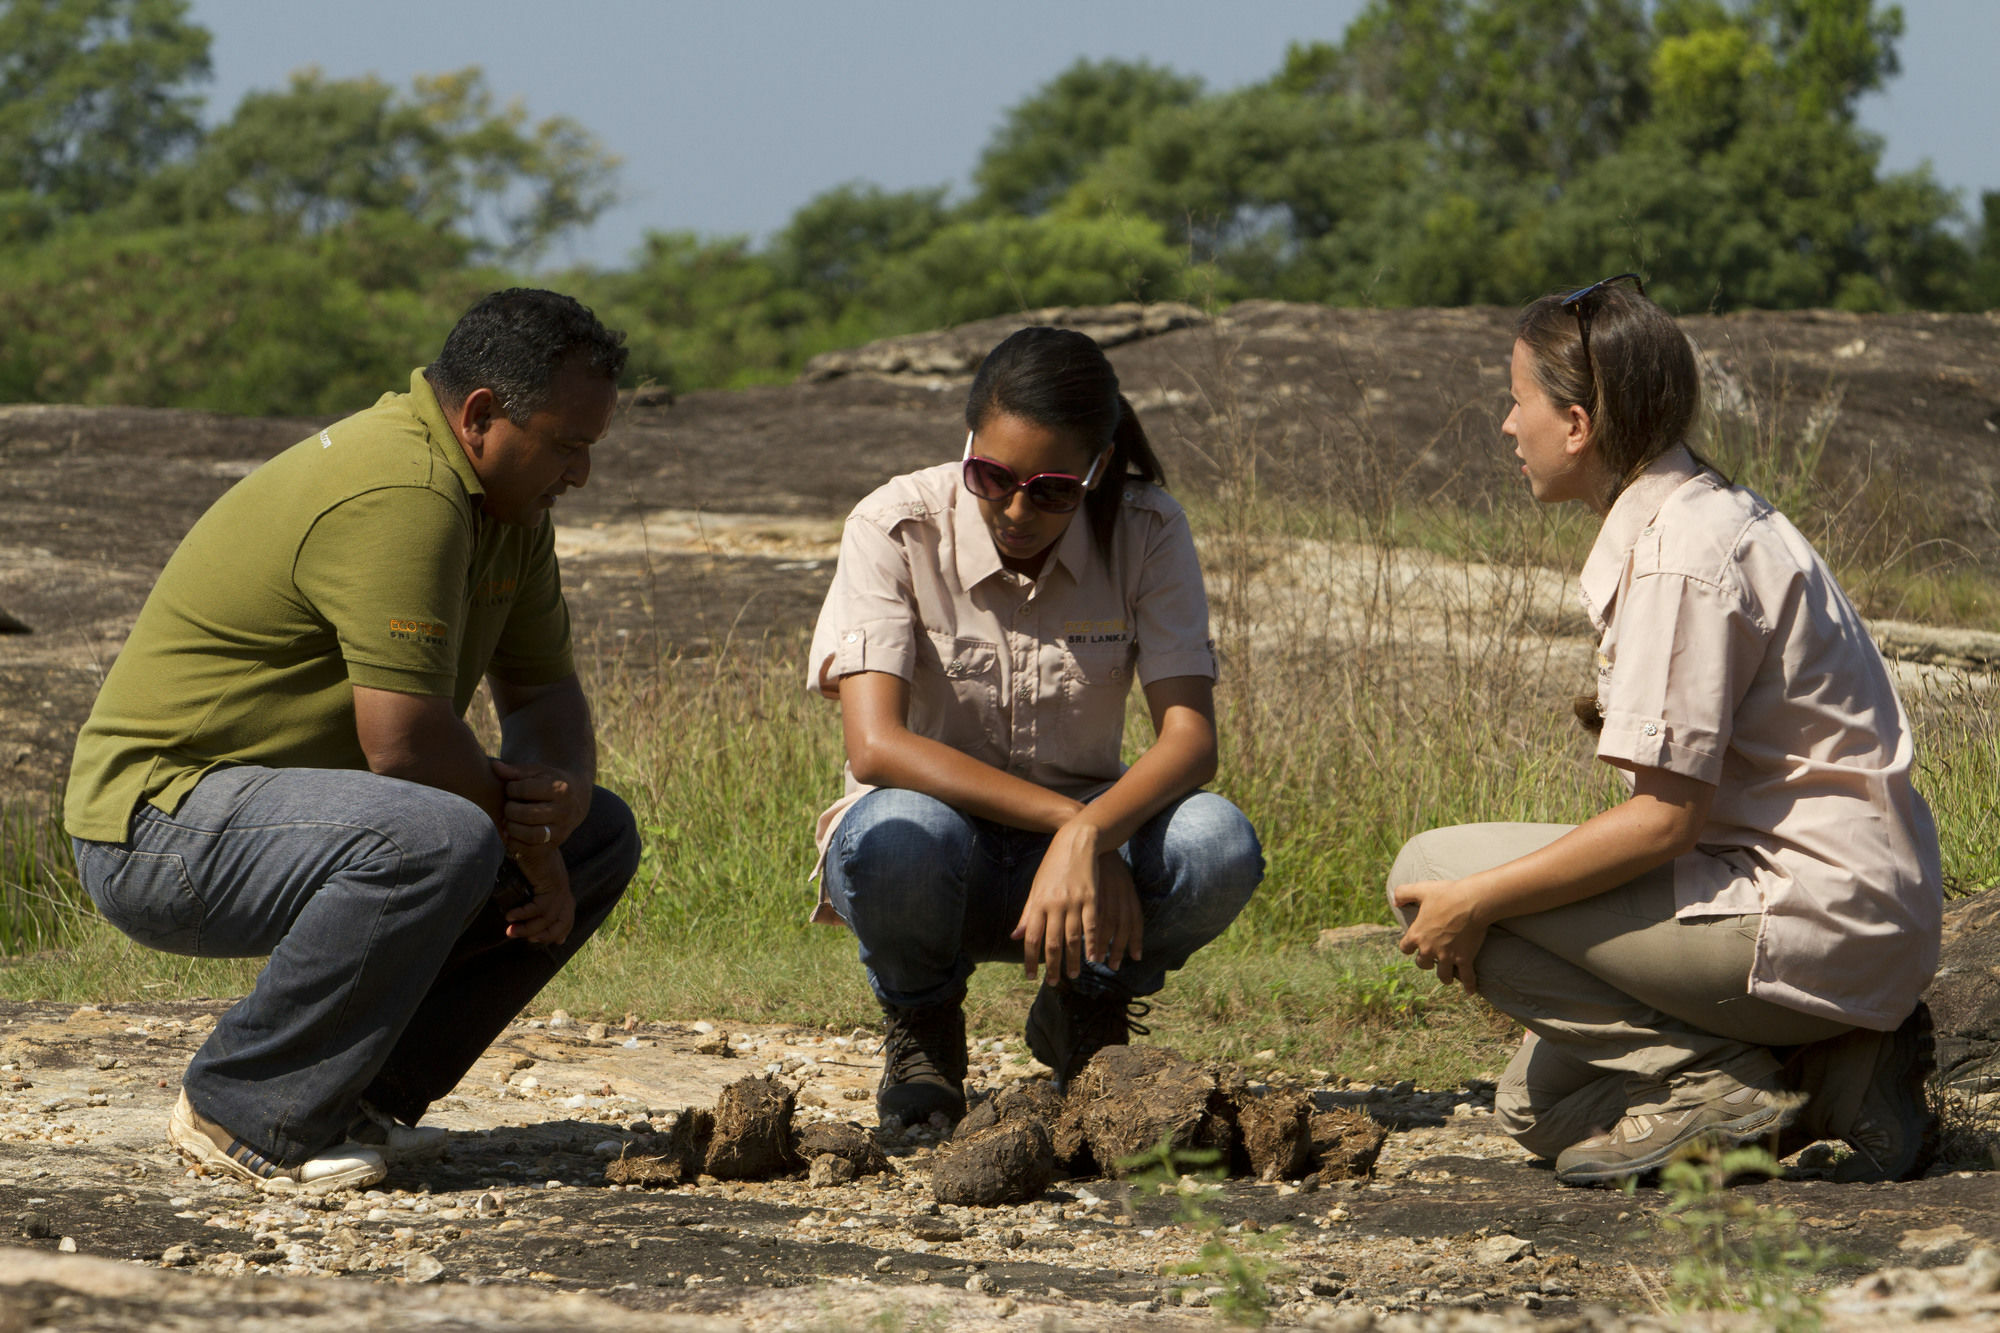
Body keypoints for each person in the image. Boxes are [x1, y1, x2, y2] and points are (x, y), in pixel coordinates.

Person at [65, 288, 641, 1190]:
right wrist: (531, 847)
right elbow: (404, 745)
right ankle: (242, 1107)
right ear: (481, 416)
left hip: (285, 821)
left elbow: (543, 694)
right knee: (437, 834)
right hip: (156, 828)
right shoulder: (403, 489)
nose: (581, 474)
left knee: (600, 830)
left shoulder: (510, 512)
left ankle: (353, 1097)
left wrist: (558, 800)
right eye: (568, 445)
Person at [1386, 275, 1943, 1187]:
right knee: (1538, 1108)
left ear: (1577, 425)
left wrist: (1478, 900)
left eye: (1516, 399)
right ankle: (1834, 1073)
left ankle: (1711, 1084)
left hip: (1805, 911)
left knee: (1432, 878)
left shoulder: (1684, 556)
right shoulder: (1698, 518)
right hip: (1832, 918)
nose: (1504, 425)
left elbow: (1662, 821)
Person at [805, 326, 1264, 1125]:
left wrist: (1095, 836)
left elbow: (1191, 738)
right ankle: (923, 1027)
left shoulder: (1150, 529)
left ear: (1096, 470)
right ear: (967, 445)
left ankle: (1088, 1005)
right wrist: (1075, 826)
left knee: (1216, 842)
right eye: (991, 476)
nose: (1016, 510)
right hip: (937, 852)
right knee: (898, 834)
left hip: (1088, 874)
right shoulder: (894, 523)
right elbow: (875, 746)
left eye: (1052, 490)